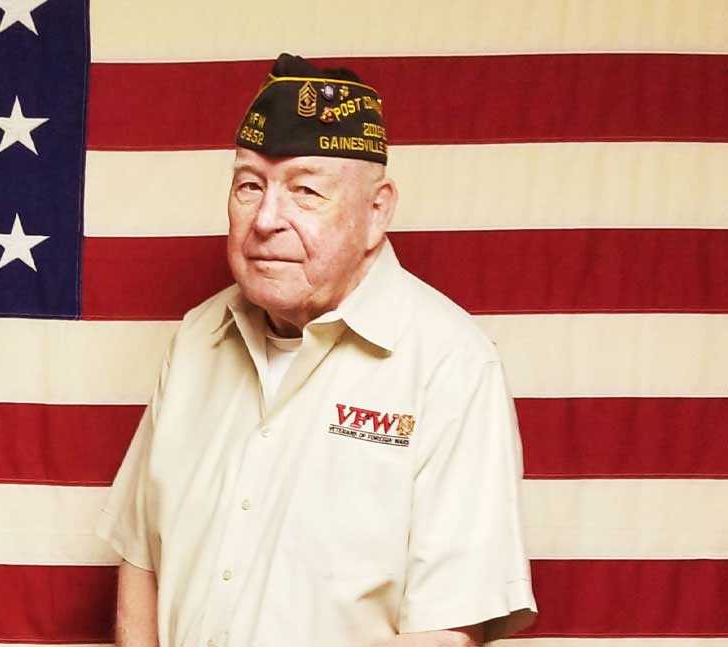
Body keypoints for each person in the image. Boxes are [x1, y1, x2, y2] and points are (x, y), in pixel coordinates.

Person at [96, 53, 537, 647]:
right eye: (249, 185)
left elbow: (445, 629)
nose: (266, 219)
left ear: (376, 211)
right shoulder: (195, 340)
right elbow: (141, 560)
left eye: (305, 191)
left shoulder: (450, 365)